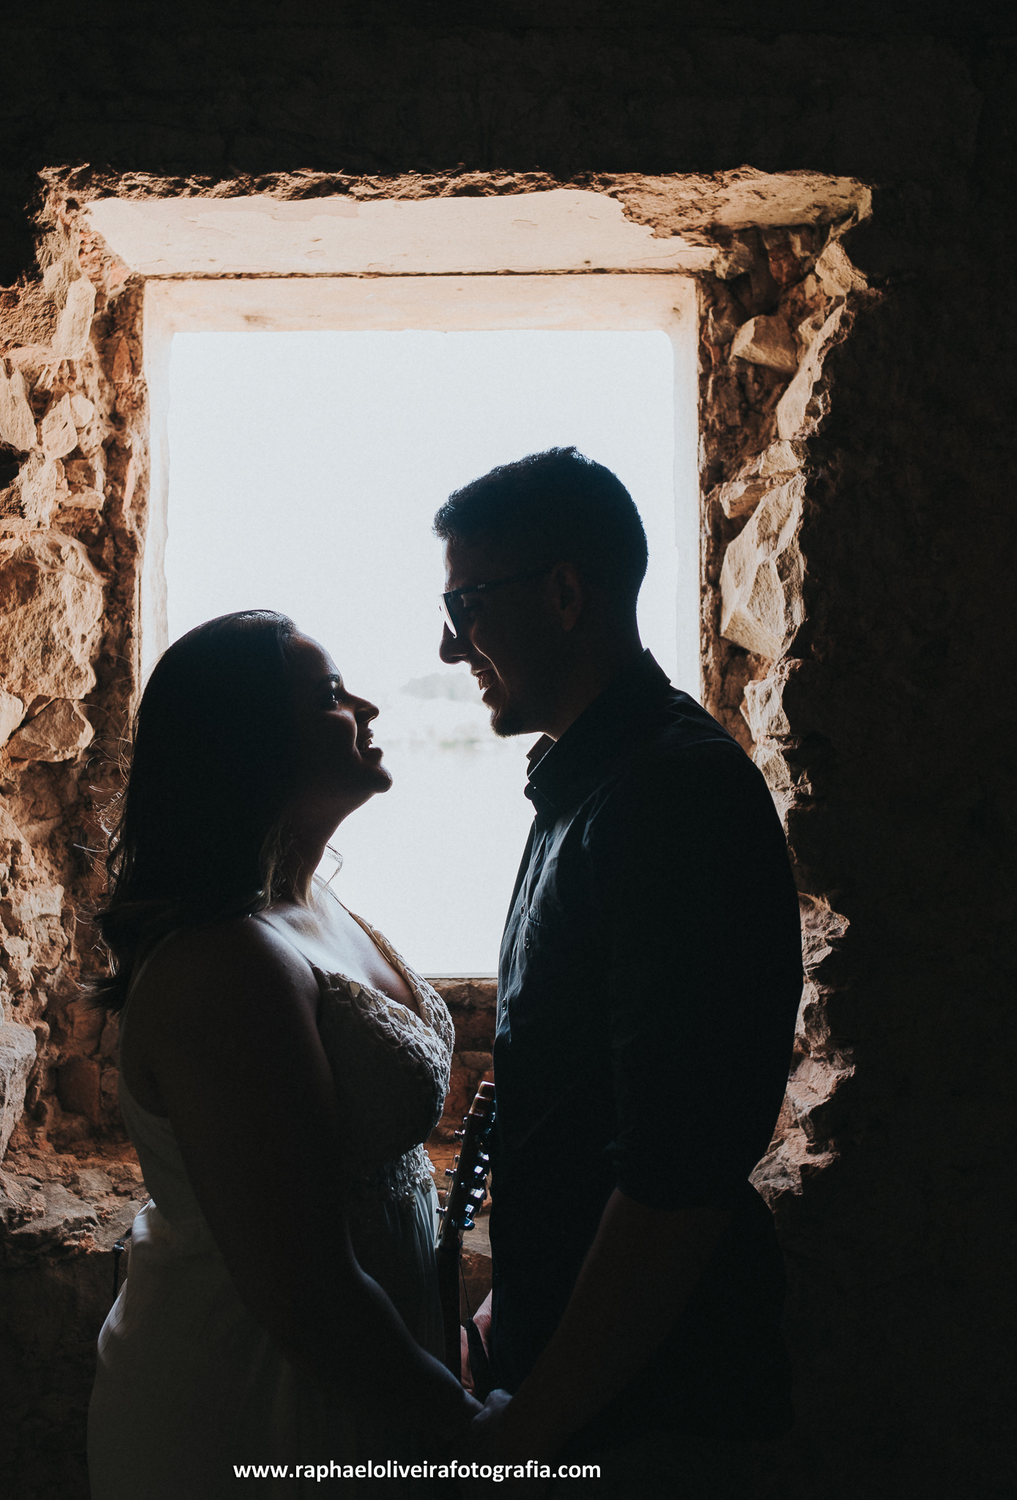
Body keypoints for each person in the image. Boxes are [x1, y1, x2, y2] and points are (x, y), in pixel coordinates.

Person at [434, 449, 803, 1490]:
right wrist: (508, 1318)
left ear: (564, 595)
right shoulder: (592, 784)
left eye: (466, 604)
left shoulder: (671, 800)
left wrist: (531, 1426)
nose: (449, 642)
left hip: (649, 1420)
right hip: (596, 1396)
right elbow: (582, 1110)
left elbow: (674, 1178)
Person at [86, 611, 479, 1498]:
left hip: (362, 1370)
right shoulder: (222, 963)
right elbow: (305, 1291)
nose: (366, 707)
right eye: (332, 695)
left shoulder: (313, 904)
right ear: (250, 744)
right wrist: (467, 1427)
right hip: (258, 1392)